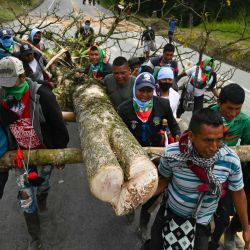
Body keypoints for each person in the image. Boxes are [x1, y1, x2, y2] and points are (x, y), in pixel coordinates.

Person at [142, 108, 250, 250]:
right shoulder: (173, 154)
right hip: (168, 216)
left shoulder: (230, 160)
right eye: (208, 140)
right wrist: (140, 196)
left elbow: (238, 193)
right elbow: (164, 180)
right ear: (192, 136)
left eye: (219, 140)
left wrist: (246, 227)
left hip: (201, 224)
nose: (214, 147)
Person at [0, 56, 69, 249]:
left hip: (44, 151)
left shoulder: (42, 95)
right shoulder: (1, 97)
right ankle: (35, 236)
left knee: (43, 182)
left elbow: (59, 127)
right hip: (21, 155)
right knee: (25, 195)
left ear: (22, 76)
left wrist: (59, 154)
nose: (7, 88)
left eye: (11, 82)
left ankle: (43, 198)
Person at [208, 83, 250, 250]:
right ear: (219, 103)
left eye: (237, 109)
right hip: (203, 170)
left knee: (224, 217)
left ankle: (215, 242)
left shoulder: (244, 121)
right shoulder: (206, 116)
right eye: (229, 108)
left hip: (226, 173)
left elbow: (247, 149)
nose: (233, 113)